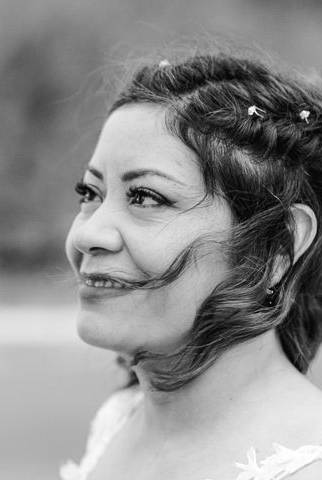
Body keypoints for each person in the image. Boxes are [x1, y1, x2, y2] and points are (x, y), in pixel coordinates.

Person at [61, 52, 322, 480]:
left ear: (278, 244)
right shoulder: (117, 420)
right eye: (90, 193)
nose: (88, 235)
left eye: (146, 197)